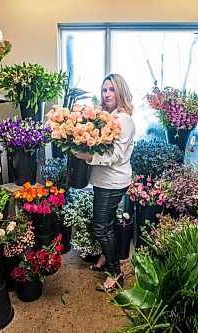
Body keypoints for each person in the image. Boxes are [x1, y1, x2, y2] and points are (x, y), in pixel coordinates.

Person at [74, 73, 135, 292]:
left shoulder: (123, 120)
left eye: (112, 90)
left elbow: (117, 154)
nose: (107, 94)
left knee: (100, 227)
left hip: (113, 181)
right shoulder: (104, 117)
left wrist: (89, 157)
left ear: (121, 92)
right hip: (104, 180)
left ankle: (115, 273)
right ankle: (104, 258)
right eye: (104, 90)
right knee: (106, 223)